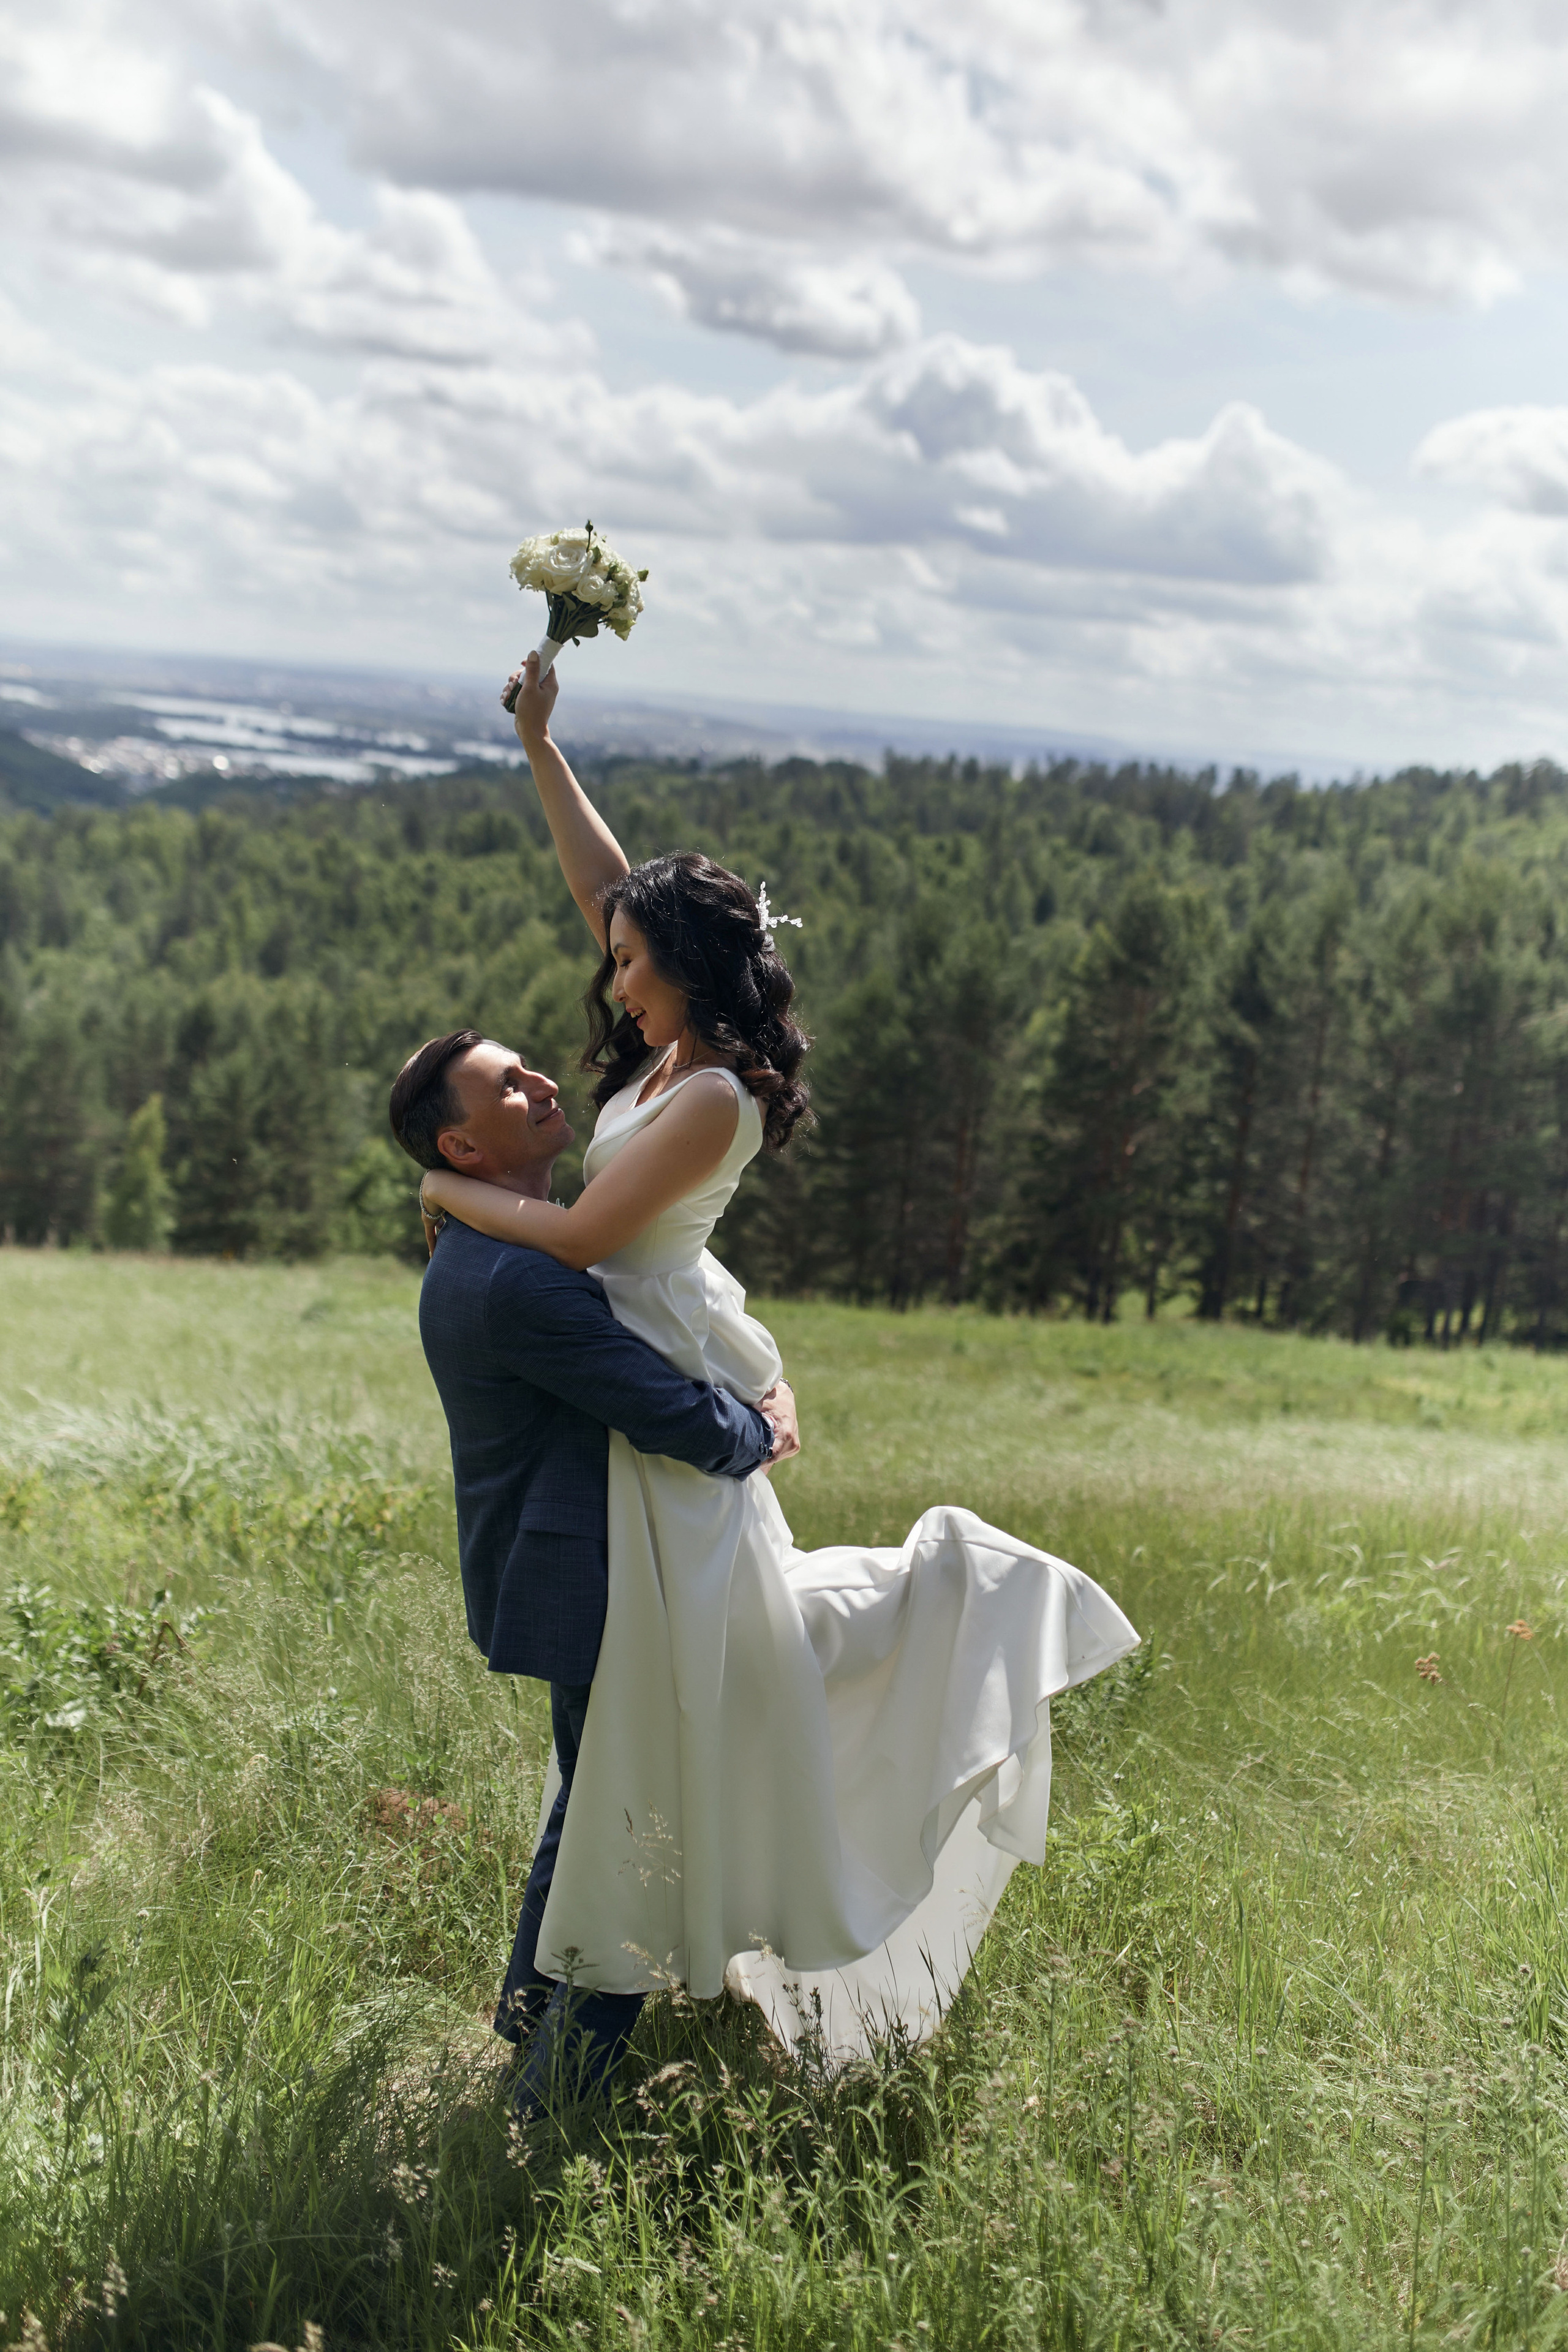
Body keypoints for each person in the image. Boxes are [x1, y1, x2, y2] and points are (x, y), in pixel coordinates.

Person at [416, 650, 1142, 2068]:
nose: (608, 981)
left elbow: (574, 1246)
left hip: (659, 1372)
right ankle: (559, 2013)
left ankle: (584, 2015)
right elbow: (602, 886)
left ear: (682, 969)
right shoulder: (657, 1058)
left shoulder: (712, 1102)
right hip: (649, 1359)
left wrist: (449, 1196)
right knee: (642, 1719)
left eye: (628, 962)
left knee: (666, 1708)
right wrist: (543, 752)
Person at [388, 1027, 799, 2108]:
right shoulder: (515, 1278)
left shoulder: (493, 1248)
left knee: (588, 1807)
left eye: (529, 1066)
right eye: (504, 1086)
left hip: (574, 1563)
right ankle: (551, 2103)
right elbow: (657, 1405)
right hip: (590, 1576)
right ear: (460, 1148)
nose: (538, 1082)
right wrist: (757, 1431)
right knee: (633, 1830)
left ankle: (523, 2036)